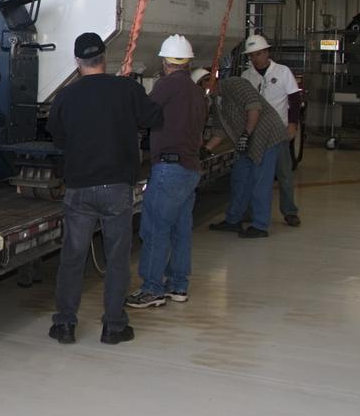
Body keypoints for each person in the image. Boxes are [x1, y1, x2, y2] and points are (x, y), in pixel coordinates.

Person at [47, 32, 163, 346]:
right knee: (117, 258)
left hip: (79, 187)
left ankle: (65, 324)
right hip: (116, 187)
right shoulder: (127, 89)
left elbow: (57, 137)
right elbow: (154, 117)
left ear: (77, 61)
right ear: (105, 57)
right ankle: (114, 326)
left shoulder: (66, 96)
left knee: (73, 257)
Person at [126, 35, 208, 309]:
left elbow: (144, 114)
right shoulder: (196, 91)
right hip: (190, 168)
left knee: (155, 229)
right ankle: (178, 285)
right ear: (187, 62)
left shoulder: (167, 85)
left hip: (169, 169)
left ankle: (152, 288)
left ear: (165, 62)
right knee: (181, 230)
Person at [206, 75, 286, 238]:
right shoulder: (216, 101)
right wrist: (206, 149)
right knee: (240, 178)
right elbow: (220, 131)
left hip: (267, 136)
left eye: (204, 85)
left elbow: (254, 107)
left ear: (211, 80)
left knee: (260, 181)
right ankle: (233, 220)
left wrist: (245, 135)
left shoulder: (235, 83)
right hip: (247, 141)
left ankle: (260, 225)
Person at [241, 35, 302, 226]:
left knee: (284, 173)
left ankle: (289, 211)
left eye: (258, 54)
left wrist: (292, 124)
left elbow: (294, 99)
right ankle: (250, 210)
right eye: (251, 55)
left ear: (267, 52)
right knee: (254, 174)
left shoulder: (282, 72)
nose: (255, 58)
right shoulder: (247, 76)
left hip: (278, 131)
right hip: (256, 132)